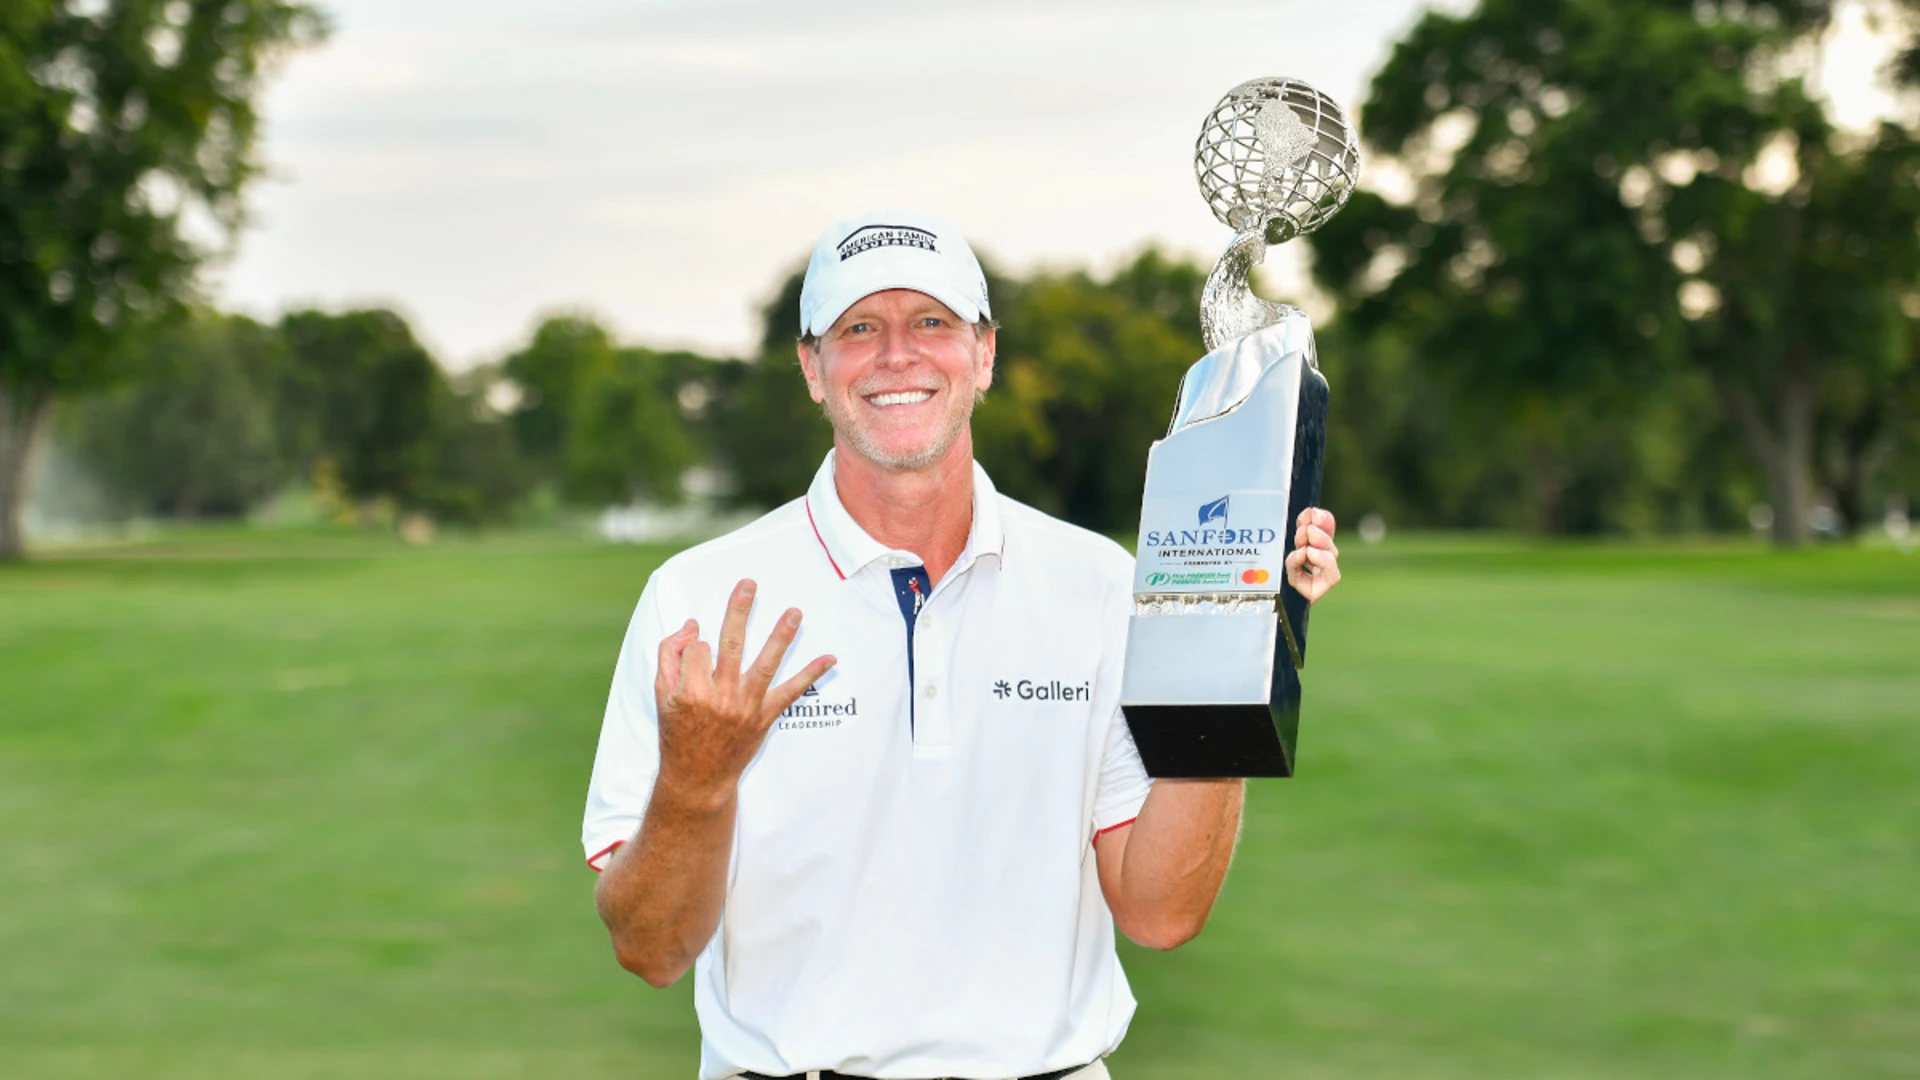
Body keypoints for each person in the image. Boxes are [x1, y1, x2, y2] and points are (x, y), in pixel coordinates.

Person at [582, 208, 1343, 1080]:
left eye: (932, 322)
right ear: (812, 368)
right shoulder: (698, 598)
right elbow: (652, 949)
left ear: (983, 355)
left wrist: (1235, 639)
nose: (897, 354)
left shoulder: (1100, 585)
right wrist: (695, 780)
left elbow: (1161, 910)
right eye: (859, 327)